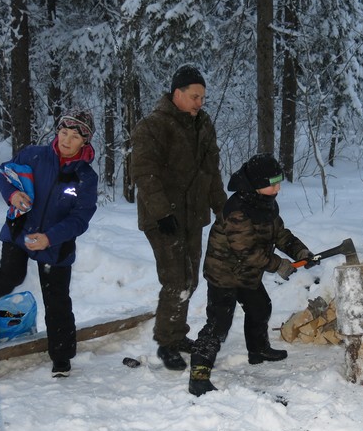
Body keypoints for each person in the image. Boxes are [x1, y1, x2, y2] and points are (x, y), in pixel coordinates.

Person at [0, 109, 98, 378]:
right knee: (10, 276)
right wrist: (12, 194)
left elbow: (80, 218)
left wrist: (50, 237)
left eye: (74, 136)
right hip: (20, 231)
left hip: (56, 243)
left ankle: (62, 358)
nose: (66, 140)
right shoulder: (35, 155)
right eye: (63, 132)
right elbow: (3, 173)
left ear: (85, 141)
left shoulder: (85, 177)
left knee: (56, 298)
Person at [188, 153, 316, 396]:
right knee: (219, 324)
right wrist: (279, 265)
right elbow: (247, 252)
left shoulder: (266, 203)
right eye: (272, 183)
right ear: (256, 184)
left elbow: (279, 234)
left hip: (247, 275)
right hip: (224, 275)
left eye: (279, 181)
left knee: (261, 307)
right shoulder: (237, 212)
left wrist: (300, 250)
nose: (278, 187)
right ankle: (199, 374)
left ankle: (258, 349)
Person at [131, 66, 226, 371]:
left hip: (193, 215)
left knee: (190, 278)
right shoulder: (152, 126)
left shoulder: (203, 125)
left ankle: (177, 334)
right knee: (175, 279)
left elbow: (211, 170)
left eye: (203, 97)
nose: (200, 102)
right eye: (195, 96)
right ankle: (166, 342)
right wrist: (161, 212)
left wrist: (220, 207)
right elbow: (144, 174)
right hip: (163, 218)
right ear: (177, 95)